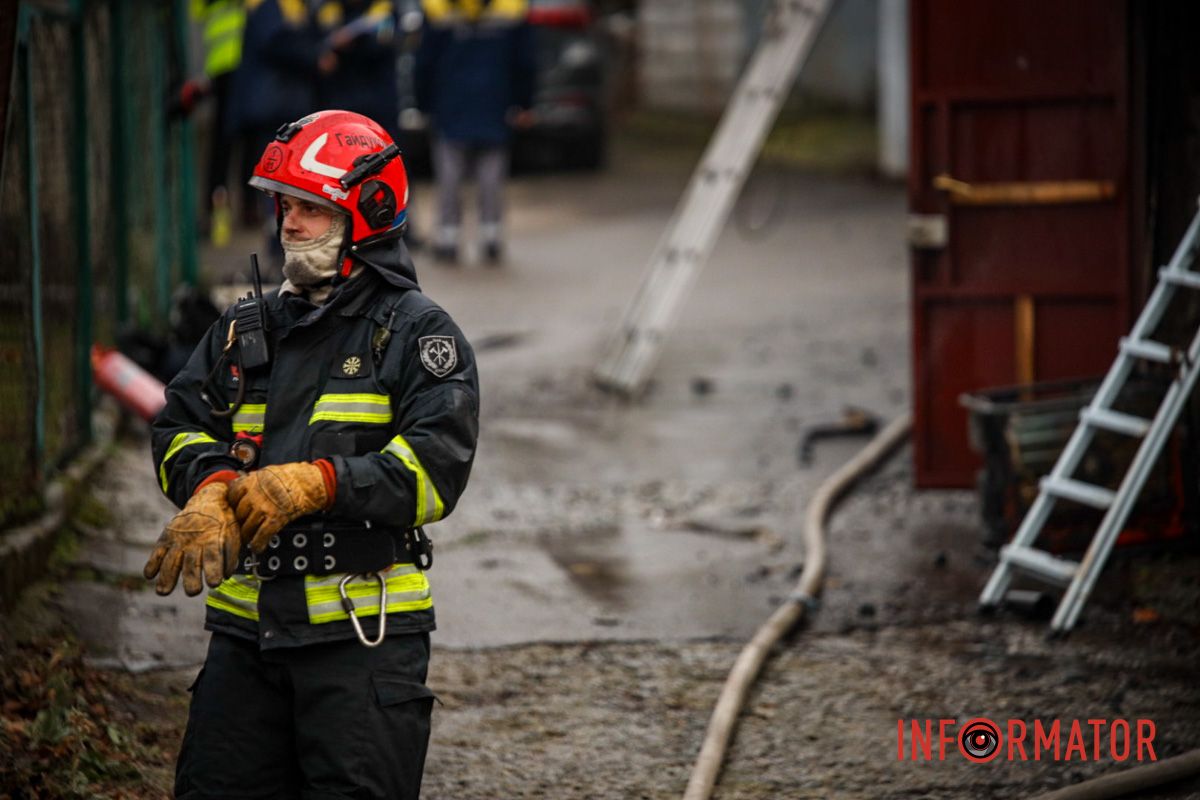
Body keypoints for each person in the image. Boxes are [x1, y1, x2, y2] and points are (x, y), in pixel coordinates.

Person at [144, 110, 480, 800]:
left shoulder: (418, 335)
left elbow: (434, 470)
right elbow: (177, 423)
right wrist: (208, 485)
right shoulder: (245, 327)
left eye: (308, 208)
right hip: (246, 639)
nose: (286, 224)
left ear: (369, 211)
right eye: (283, 206)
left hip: (362, 641)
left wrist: (320, 483)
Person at [415, 0, 536, 265]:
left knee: (450, 177)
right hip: (494, 103)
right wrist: (524, 103)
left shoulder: (438, 8)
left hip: (450, 106)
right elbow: (524, 59)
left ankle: (448, 239)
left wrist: (423, 104)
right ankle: (491, 237)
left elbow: (424, 61)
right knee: (491, 176)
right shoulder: (512, 7)